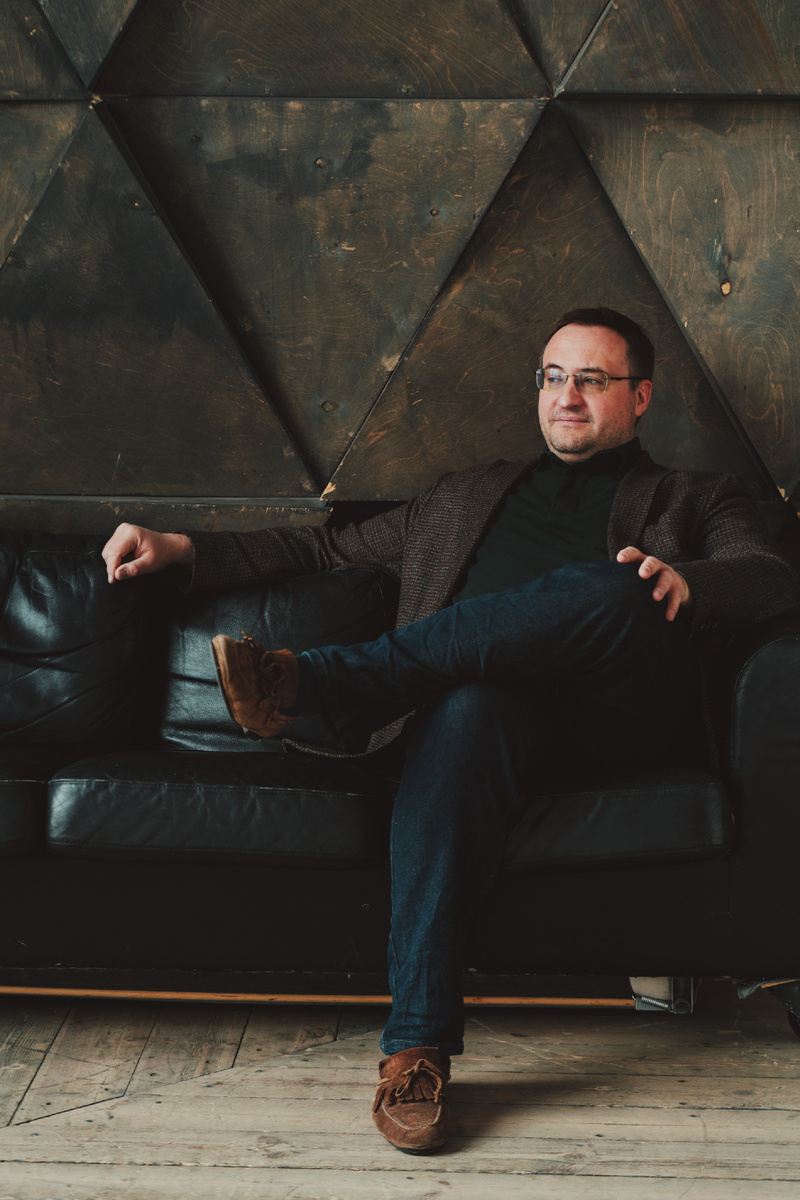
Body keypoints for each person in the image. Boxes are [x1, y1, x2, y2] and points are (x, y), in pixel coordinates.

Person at [102, 307, 799, 1155]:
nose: (567, 396)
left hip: (614, 715)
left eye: (591, 379)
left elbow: (768, 575)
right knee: (466, 704)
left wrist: (690, 583)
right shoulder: (460, 497)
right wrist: (182, 547)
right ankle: (415, 1050)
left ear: (640, 396)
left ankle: (330, 682)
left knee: (619, 584)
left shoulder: (695, 496)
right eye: (553, 377)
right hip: (495, 720)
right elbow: (324, 551)